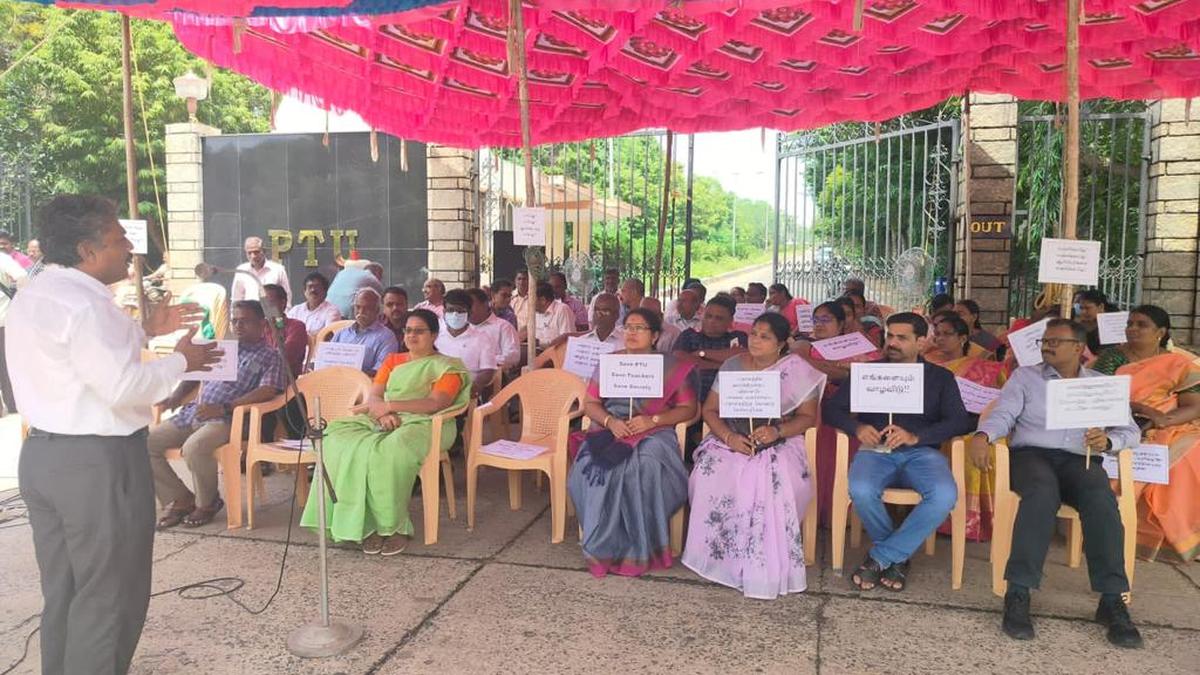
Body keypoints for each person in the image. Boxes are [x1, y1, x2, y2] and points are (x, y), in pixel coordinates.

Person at [8, 194, 219, 674]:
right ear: (87, 250)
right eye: (117, 236)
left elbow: (80, 361)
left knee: (66, 591)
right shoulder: (86, 305)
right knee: (109, 598)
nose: (129, 246)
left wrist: (144, 330)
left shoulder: (37, 293)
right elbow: (122, 386)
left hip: (45, 458)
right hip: (96, 464)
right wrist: (184, 361)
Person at [974, 319, 1143, 647]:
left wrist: (1107, 442)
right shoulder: (1026, 377)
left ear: (1079, 348)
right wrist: (984, 434)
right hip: (1032, 456)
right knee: (1041, 493)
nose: (1047, 345)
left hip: (1080, 459)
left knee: (1101, 499)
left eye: (1056, 341)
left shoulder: (1100, 384)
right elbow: (1004, 414)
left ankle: (1112, 600)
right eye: (1044, 341)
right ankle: (1018, 592)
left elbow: (1130, 432)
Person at [301, 308, 472, 556]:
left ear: (434, 335)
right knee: (335, 441)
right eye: (408, 330)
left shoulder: (447, 367)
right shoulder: (393, 360)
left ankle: (392, 528)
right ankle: (362, 525)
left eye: (420, 331)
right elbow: (375, 394)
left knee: (386, 453)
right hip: (383, 418)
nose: (412, 336)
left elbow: (435, 403)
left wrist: (390, 407)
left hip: (426, 424)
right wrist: (382, 413)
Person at [823, 312, 972, 591]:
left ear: (922, 342)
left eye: (902, 338)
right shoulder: (868, 372)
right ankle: (897, 558)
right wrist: (857, 428)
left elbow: (959, 421)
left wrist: (918, 436)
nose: (892, 342)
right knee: (861, 489)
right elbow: (831, 409)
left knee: (944, 495)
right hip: (875, 450)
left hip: (922, 452)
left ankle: (882, 556)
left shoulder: (940, 377)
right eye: (889, 336)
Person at [683, 313, 826, 599]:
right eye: (754, 334)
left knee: (771, 477)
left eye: (765, 336)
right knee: (711, 470)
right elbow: (710, 410)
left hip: (778, 440)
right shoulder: (732, 365)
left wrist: (777, 432)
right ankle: (720, 556)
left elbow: (808, 418)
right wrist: (729, 437)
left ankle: (760, 558)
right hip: (731, 438)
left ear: (782, 343)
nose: (756, 341)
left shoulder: (795, 369)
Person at [568, 308, 699, 576]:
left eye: (640, 328)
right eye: (628, 327)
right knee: (591, 468)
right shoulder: (609, 363)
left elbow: (688, 410)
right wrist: (609, 422)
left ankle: (639, 549)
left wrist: (653, 420)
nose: (632, 333)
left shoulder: (672, 367)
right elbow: (591, 404)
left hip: (654, 430)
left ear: (655, 336)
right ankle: (603, 546)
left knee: (644, 466)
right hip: (610, 428)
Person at [149, 300, 288, 528]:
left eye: (245, 321)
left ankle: (207, 503)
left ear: (262, 324)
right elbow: (194, 374)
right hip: (194, 412)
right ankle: (180, 498)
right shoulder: (223, 347)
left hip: (229, 418)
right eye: (235, 321)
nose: (238, 326)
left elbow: (268, 390)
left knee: (194, 448)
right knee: (147, 443)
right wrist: (175, 396)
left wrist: (225, 407)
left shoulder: (270, 355)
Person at [1092, 305, 1200, 564]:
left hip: (1168, 426)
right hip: (1115, 424)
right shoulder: (1110, 358)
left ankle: (1179, 538)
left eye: (1141, 324)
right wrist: (1139, 410)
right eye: (1130, 323)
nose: (1132, 328)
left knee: (1187, 460)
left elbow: (1194, 406)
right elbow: (1096, 396)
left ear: (1160, 332)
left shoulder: (1178, 363)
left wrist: (1162, 420)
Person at [790, 301, 882, 526]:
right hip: (813, 411)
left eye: (826, 319)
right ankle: (810, 515)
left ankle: (842, 517)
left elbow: (865, 377)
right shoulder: (805, 346)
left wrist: (817, 366)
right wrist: (839, 369)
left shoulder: (862, 347)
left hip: (851, 415)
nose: (820, 324)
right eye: (816, 320)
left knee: (842, 460)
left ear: (841, 324)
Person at [927, 313, 1006, 541]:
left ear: (963, 338)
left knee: (982, 444)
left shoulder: (984, 367)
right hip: (936, 422)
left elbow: (999, 398)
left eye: (947, 334)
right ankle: (944, 519)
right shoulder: (927, 363)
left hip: (972, 422)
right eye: (937, 334)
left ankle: (977, 521)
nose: (940, 339)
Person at [673, 294, 748, 403]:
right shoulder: (689, 336)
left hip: (728, 399)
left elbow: (742, 356)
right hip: (692, 400)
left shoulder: (737, 337)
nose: (712, 321)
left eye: (719, 318)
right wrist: (722, 366)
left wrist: (701, 353)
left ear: (730, 320)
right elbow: (678, 357)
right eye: (708, 316)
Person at [435, 289, 498, 398]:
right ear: (444, 312)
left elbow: (487, 371)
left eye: (460, 311)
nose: (455, 314)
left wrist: (473, 388)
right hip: (435, 391)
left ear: (469, 313)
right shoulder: (435, 337)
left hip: (466, 393)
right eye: (450, 310)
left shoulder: (482, 338)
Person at [329, 288, 400, 377]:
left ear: (377, 310)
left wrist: (352, 375)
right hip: (334, 381)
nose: (361, 312)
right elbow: (327, 361)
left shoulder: (387, 337)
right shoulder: (342, 333)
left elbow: (381, 371)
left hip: (364, 386)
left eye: (367, 308)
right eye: (358, 307)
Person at [0, 248, 28, 415]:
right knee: (7, 364)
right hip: (4, 319)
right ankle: (13, 405)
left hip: (4, 318)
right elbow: (22, 278)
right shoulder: (2, 258)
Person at [467, 287, 520, 371]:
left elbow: (512, 357)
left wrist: (483, 360)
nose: (466, 310)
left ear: (484, 305)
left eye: (469, 305)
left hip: (492, 376)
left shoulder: (503, 327)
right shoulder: (459, 328)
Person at [263, 283, 308, 378]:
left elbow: (283, 357)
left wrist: (257, 364)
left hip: (284, 380)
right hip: (259, 378)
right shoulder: (259, 327)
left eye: (269, 302)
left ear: (283, 303)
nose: (265, 307)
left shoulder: (296, 326)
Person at [231, 235, 290, 303]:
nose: (253, 256)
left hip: (272, 313)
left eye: (256, 252)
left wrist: (285, 313)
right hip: (250, 312)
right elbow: (236, 299)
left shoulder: (278, 270)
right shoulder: (241, 271)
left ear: (264, 251)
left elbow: (286, 297)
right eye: (249, 253)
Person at [522, 281, 576, 349]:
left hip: (555, 356)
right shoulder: (534, 314)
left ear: (543, 300)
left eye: (530, 298)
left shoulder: (562, 310)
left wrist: (539, 343)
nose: (528, 302)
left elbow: (566, 341)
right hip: (536, 354)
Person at [1077, 289, 1111, 355]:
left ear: (1101, 307)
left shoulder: (1112, 326)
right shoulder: (1079, 326)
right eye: (1081, 308)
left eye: (1087, 308)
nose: (1083, 312)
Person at [381, 286, 410, 352]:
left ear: (407, 305)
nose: (395, 308)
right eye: (390, 304)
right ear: (383, 307)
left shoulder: (417, 323)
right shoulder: (376, 325)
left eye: (399, 304)